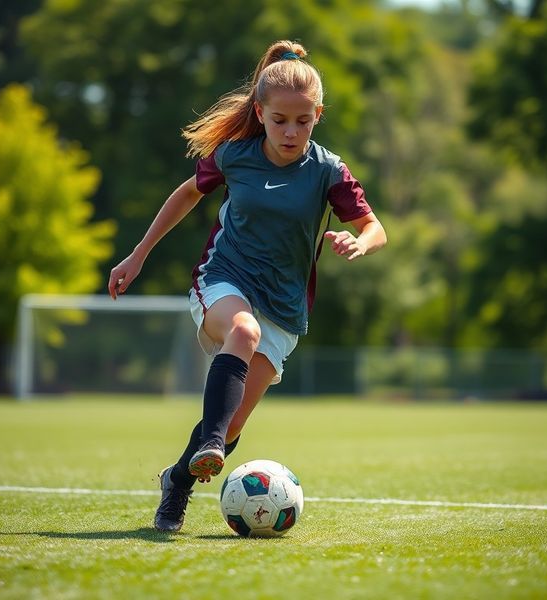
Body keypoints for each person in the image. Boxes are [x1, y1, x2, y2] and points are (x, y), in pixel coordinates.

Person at [107, 40, 387, 533]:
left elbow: (375, 226)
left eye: (303, 121)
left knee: (232, 423)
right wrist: (139, 254)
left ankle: (177, 480)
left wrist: (359, 242)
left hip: (284, 305)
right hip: (224, 277)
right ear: (259, 113)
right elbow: (187, 194)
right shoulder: (234, 155)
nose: (291, 131)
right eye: (280, 120)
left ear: (318, 115)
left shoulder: (327, 170)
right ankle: (210, 447)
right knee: (243, 331)